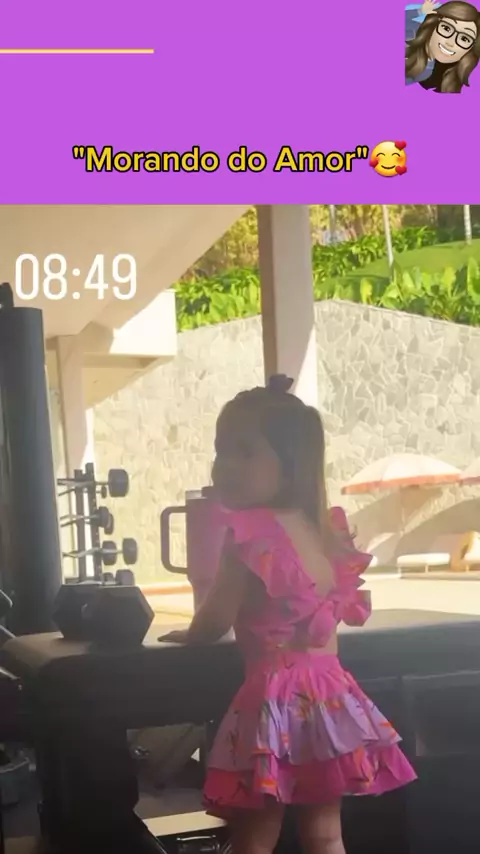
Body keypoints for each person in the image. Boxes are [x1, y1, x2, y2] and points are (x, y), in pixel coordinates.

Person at [160, 375, 416, 854]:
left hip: (275, 702)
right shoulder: (322, 530)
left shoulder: (249, 535)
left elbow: (216, 618)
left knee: (255, 837)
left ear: (290, 465)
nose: (226, 464)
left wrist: (191, 634)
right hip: (331, 699)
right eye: (221, 449)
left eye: (245, 452)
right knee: (325, 833)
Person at [405, 0, 480, 92]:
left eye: (464, 39)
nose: (450, 42)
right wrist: (419, 11)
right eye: (446, 28)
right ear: (434, 24)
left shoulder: (427, 72)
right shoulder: (412, 32)